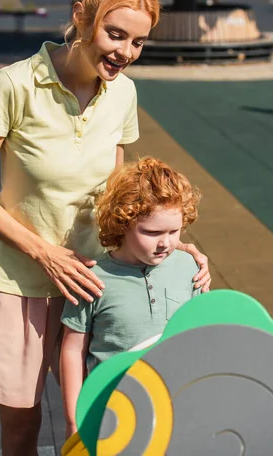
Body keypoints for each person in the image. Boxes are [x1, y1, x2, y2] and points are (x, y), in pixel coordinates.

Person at [0, 0, 211, 456]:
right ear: (82, 17)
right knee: (23, 431)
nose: (126, 51)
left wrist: (175, 245)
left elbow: (119, 197)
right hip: (21, 281)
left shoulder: (123, 94)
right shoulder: (13, 85)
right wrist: (44, 253)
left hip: (98, 281)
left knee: (111, 420)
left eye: (138, 41)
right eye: (115, 34)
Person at [60, 156, 202, 439]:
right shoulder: (93, 278)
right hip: (113, 411)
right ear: (122, 222)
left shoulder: (190, 267)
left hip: (176, 405)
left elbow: (199, 336)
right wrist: (75, 418)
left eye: (175, 231)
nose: (165, 243)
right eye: (152, 232)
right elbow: (72, 350)